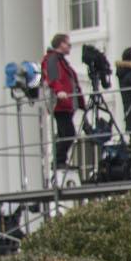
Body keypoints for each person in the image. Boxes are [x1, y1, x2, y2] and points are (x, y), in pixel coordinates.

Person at [40, 33, 79, 171]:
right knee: (68, 133)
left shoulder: (60, 61)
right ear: (61, 44)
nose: (69, 47)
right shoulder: (52, 59)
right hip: (60, 104)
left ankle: (60, 161)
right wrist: (59, 91)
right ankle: (58, 161)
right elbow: (53, 77)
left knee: (65, 134)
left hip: (66, 104)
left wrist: (79, 101)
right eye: (68, 44)